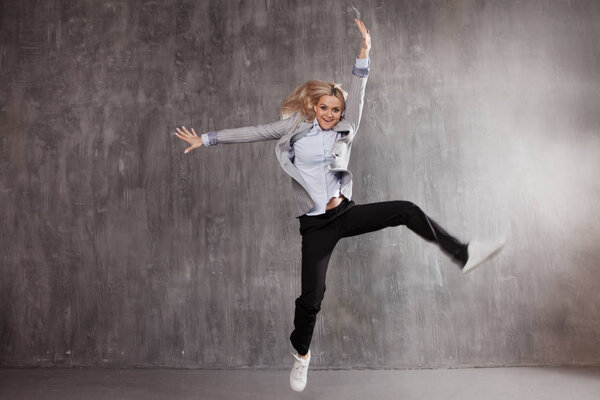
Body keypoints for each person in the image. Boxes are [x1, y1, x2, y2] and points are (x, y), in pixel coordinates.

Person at [174, 19, 504, 392]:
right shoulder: (293, 129)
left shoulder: (348, 129)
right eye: (325, 108)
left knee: (407, 209)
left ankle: (464, 253)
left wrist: (365, 52)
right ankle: (301, 354)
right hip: (315, 225)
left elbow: (360, 92)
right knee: (311, 299)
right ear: (314, 106)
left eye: (336, 110)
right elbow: (254, 132)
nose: (330, 115)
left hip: (344, 213)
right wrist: (207, 138)